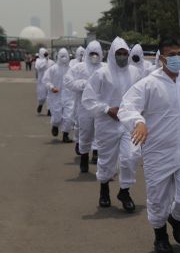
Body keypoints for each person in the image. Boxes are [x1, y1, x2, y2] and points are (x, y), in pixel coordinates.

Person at [119, 38, 180, 253]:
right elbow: (127, 106)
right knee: (157, 199)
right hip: (157, 151)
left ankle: (176, 218)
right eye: (172, 54)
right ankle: (160, 235)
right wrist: (139, 122)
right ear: (162, 57)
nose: (177, 58)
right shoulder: (148, 83)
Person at [82, 37, 142, 212]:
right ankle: (104, 190)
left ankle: (124, 191)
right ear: (112, 55)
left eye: (125, 53)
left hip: (128, 123)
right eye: (119, 53)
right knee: (107, 159)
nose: (122, 56)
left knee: (131, 156)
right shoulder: (101, 73)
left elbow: (141, 95)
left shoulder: (135, 73)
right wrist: (107, 109)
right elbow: (88, 98)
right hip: (107, 124)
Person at [64, 41, 105, 172]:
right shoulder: (78, 68)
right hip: (84, 107)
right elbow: (68, 82)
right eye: (91, 53)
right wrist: (83, 84)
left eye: (96, 53)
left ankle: (97, 155)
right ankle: (84, 156)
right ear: (87, 53)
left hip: (101, 107)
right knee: (85, 133)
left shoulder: (105, 68)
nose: (94, 56)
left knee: (100, 133)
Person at [42, 48, 74, 143]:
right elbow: (46, 80)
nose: (64, 58)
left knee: (69, 117)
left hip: (69, 97)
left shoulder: (71, 69)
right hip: (56, 97)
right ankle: (55, 125)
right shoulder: (53, 69)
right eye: (62, 56)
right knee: (57, 117)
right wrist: (52, 87)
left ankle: (65, 135)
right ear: (58, 56)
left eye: (65, 56)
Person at [35, 48, 54, 114]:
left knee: (50, 96)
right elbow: (39, 67)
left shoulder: (51, 62)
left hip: (49, 81)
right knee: (42, 96)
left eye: (46, 53)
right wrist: (45, 60)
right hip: (41, 81)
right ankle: (40, 104)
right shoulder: (38, 61)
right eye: (44, 53)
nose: (46, 54)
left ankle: (49, 110)